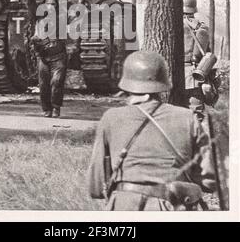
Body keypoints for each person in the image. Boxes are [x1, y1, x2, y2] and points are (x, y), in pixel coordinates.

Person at [88, 51, 215, 211]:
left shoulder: (111, 118)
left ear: (127, 84)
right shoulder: (187, 117)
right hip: (173, 206)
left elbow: (96, 187)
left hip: (123, 207)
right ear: (162, 84)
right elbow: (209, 181)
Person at [28, 0, 67, 118]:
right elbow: (30, 6)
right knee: (43, 85)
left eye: (53, 4)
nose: (50, 6)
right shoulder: (38, 18)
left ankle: (56, 107)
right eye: (48, 4)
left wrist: (81, 1)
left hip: (58, 56)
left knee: (57, 82)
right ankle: (46, 109)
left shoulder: (61, 18)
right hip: (43, 57)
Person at [183, 0, 219, 118]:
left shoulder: (170, 24)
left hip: (172, 75)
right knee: (196, 114)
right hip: (195, 75)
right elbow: (204, 53)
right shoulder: (200, 27)